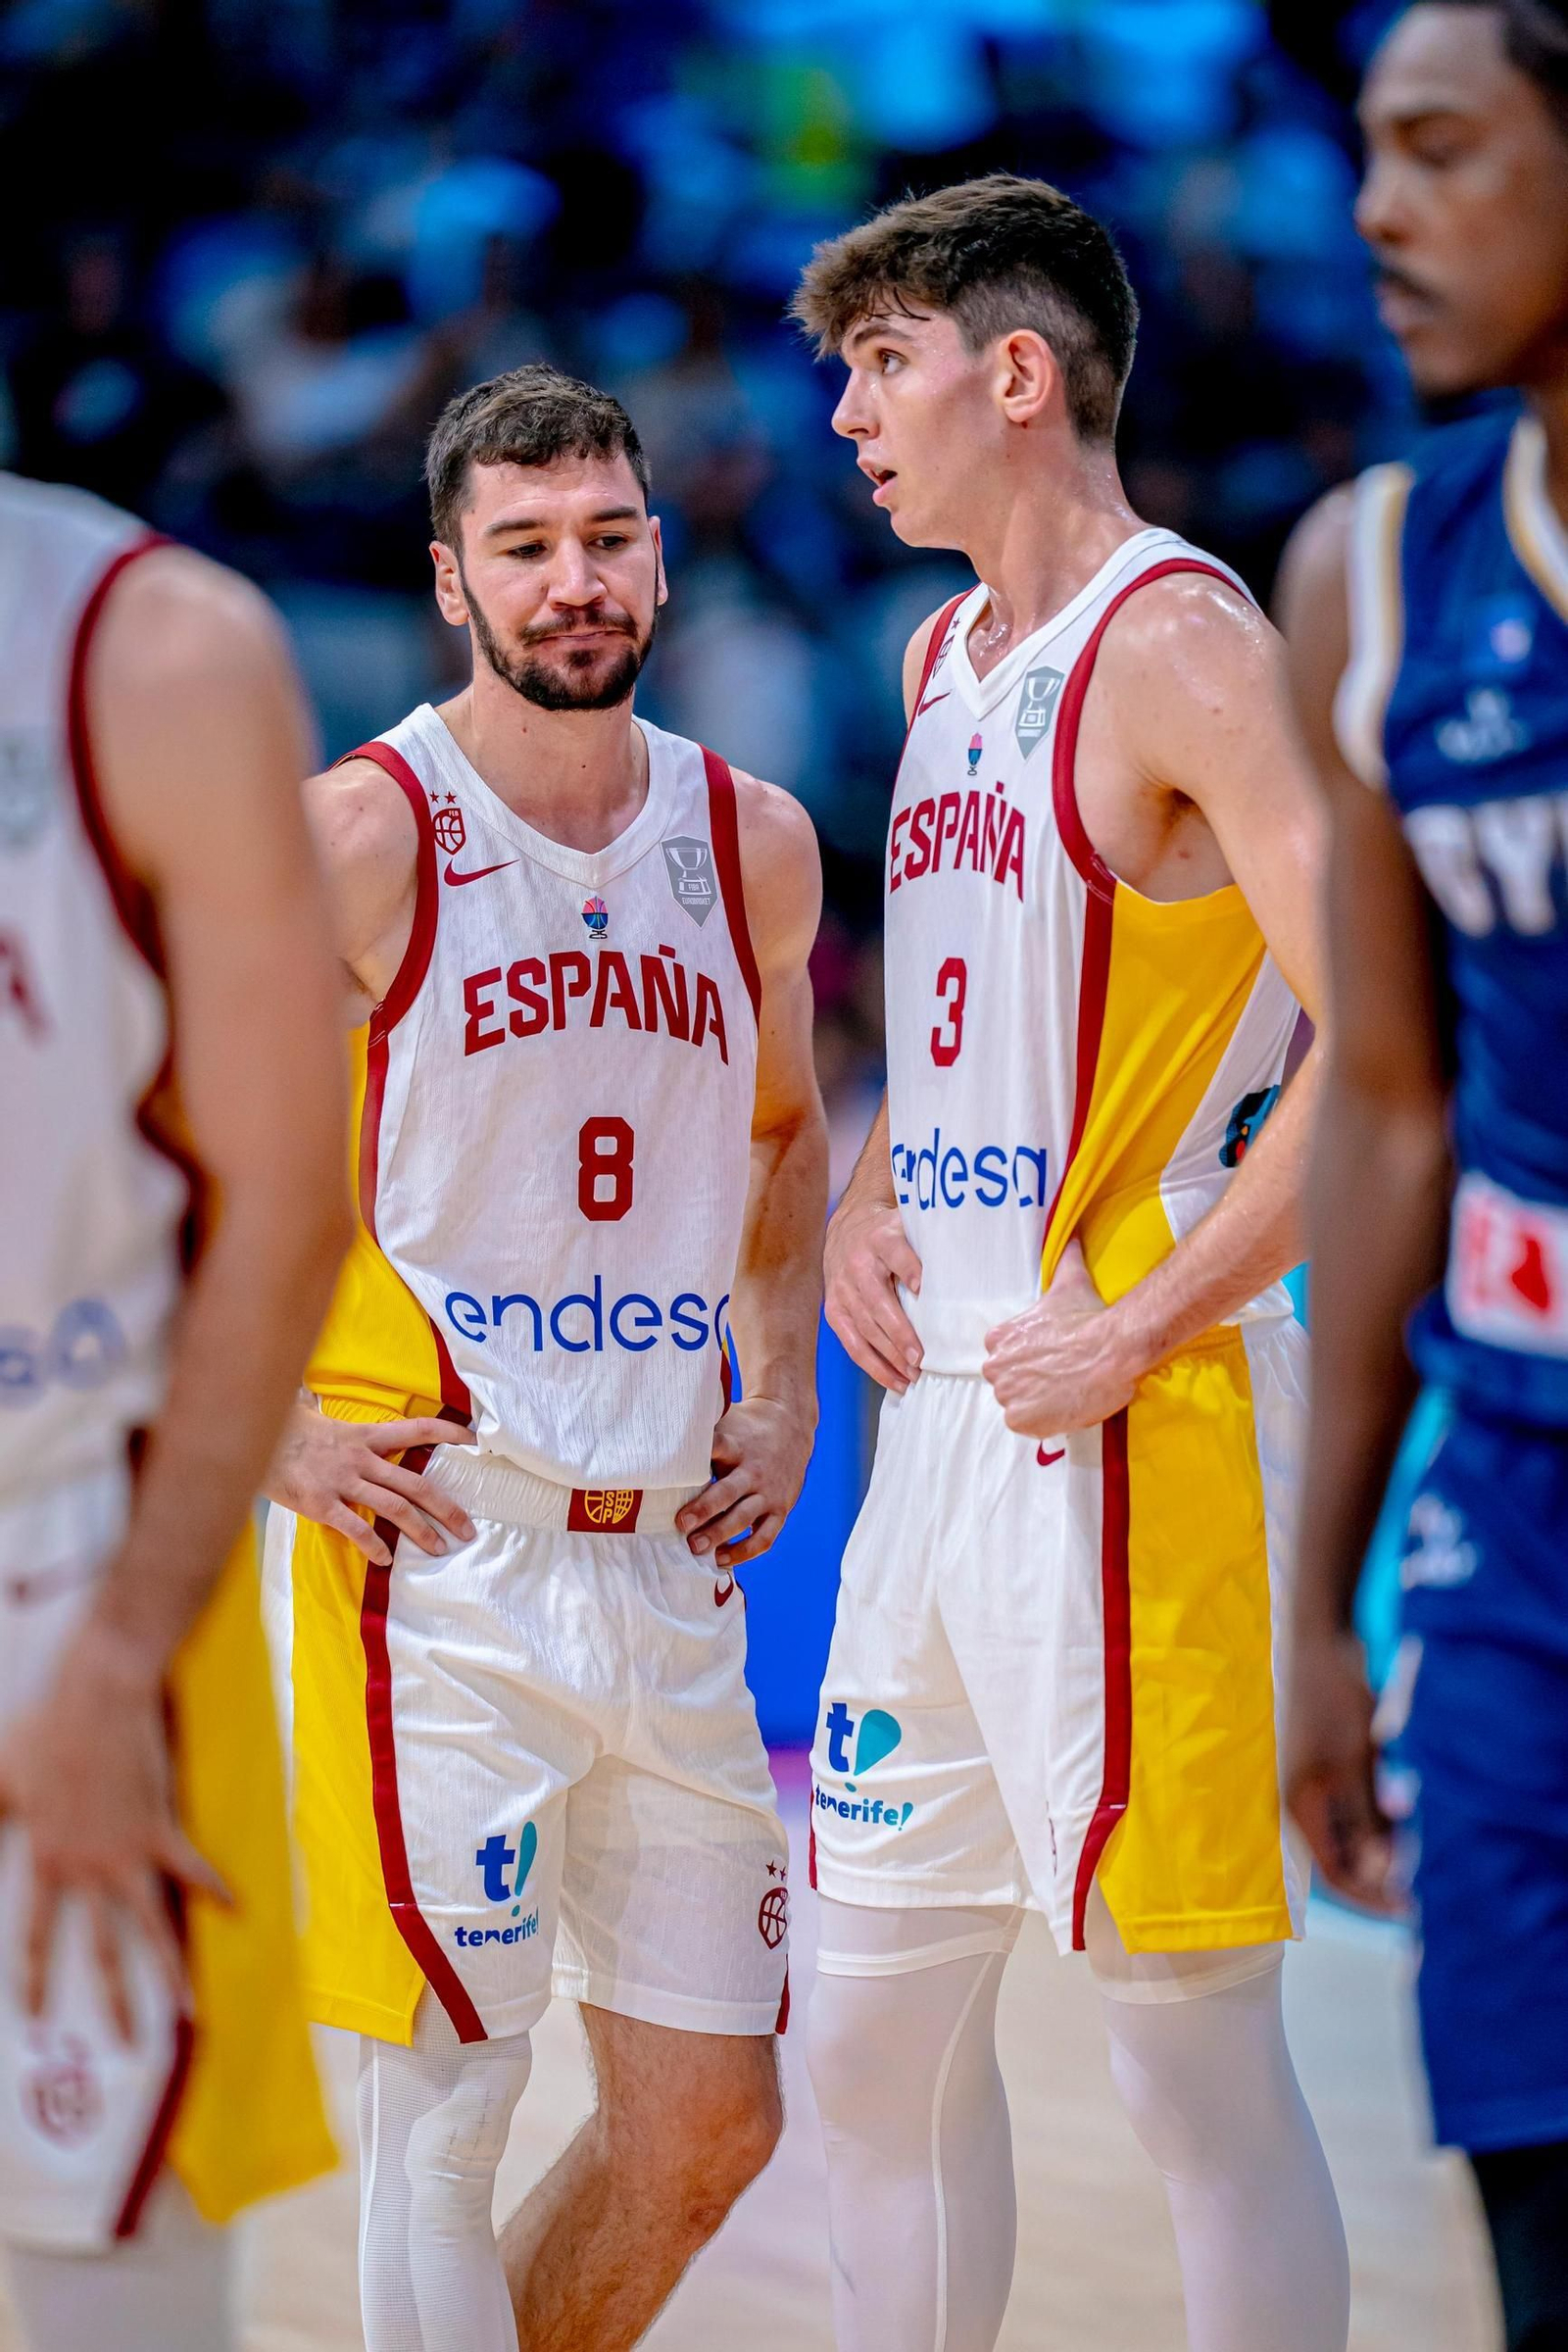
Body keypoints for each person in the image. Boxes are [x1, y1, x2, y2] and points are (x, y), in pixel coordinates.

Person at [793, 175, 1349, 2352]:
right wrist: (862, 1199)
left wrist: (1143, 1320)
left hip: (1139, 1419)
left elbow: (1384, 1043)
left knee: (1179, 2054)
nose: (843, 412)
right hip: (944, 1428)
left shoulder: (1184, 644)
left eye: (881, 362)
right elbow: (950, 1024)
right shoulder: (940, 660)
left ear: (1012, 374)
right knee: (861, 2027)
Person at [260, 364, 827, 2352]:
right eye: (524, 548)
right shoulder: (361, 832)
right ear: (450, 584)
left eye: (605, 536)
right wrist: (267, 1436)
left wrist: (784, 1379)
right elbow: (142, 1136)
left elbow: (777, 1140)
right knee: (443, 2124)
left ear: (658, 559)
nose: (572, 580)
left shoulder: (749, 840)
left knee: (705, 2129)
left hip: (665, 1561)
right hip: (434, 1562)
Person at [1280, 4, 1568, 2342]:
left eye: (1442, 149)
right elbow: (1382, 1102)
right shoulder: (1371, 575)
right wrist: (1315, 1603)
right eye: (1367, 152)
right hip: (1509, 1515)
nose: (1377, 207)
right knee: (1532, 2214)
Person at [0, 477, 346, 2347]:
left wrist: (133, 1640)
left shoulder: (151, 649)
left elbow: (290, 1201)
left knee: (105, 2281)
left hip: (72, 1579)